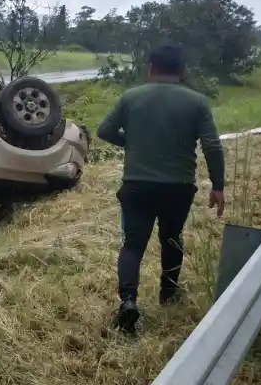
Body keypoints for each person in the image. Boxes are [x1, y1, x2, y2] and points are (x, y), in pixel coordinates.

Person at [97, 44, 225, 333]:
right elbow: (213, 146)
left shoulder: (131, 97)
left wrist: (131, 143)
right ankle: (168, 293)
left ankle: (128, 301)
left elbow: (104, 130)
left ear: (151, 69)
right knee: (171, 238)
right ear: (182, 71)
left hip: (137, 186)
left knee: (132, 244)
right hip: (178, 188)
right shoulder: (197, 102)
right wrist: (218, 186)